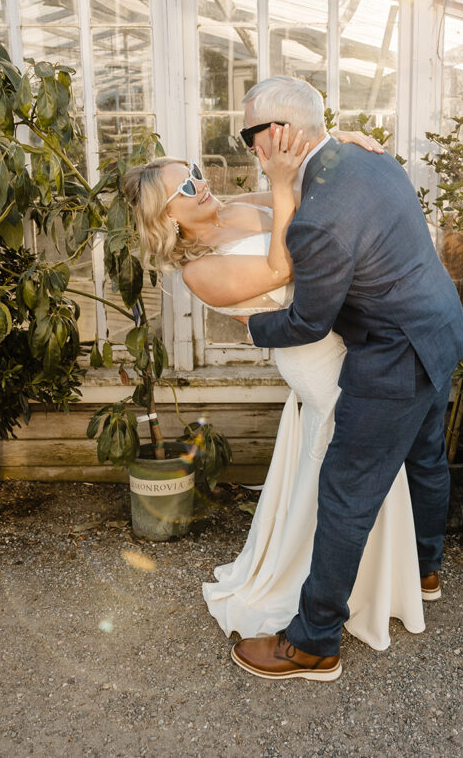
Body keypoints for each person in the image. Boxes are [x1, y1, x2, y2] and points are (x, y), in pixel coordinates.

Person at [122, 119, 426, 658]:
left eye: (195, 170)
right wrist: (283, 187)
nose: (202, 181)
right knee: (351, 474)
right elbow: (282, 264)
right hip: (313, 361)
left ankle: (373, 582)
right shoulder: (199, 272)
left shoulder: (237, 204)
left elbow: (314, 186)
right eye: (187, 185)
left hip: (345, 342)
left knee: (363, 468)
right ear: (167, 216)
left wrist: (338, 148)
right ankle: (329, 595)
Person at [226, 75, 463, 682]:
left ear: (278, 135)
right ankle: (423, 570)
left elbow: (310, 320)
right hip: (441, 326)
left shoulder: (318, 218)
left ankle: (313, 644)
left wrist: (253, 328)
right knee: (426, 460)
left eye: (248, 134)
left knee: (344, 493)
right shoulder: (371, 158)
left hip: (395, 354)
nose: (247, 148)